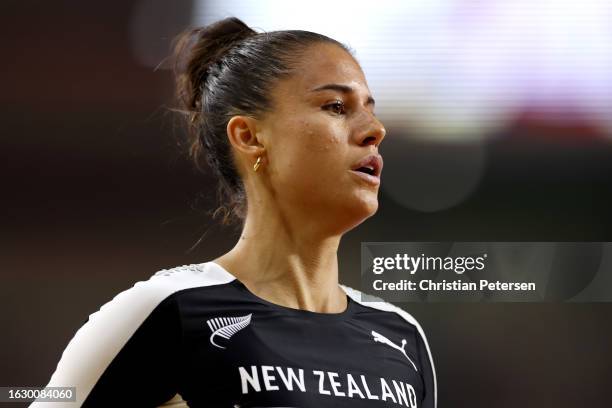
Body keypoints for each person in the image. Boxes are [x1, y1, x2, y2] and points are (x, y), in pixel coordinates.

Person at [32, 17, 436, 408]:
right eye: (335, 106)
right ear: (248, 136)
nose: (375, 129)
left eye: (369, 108)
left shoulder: (402, 336)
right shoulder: (169, 311)